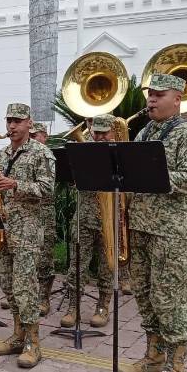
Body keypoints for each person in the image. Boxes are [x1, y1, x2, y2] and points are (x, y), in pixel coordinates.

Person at [117, 74, 187, 372]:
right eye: (150, 95)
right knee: (144, 294)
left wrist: (150, 173)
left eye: (159, 95)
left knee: (169, 300)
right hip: (141, 227)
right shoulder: (145, 132)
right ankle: (154, 357)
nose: (151, 100)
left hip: (172, 233)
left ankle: (177, 369)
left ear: (178, 99)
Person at [0, 104, 55, 368]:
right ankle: (17, 334)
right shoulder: (2, 153)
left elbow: (48, 189)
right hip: (3, 227)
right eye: (9, 121)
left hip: (27, 230)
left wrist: (15, 184)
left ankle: (33, 343)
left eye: (17, 121)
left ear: (29, 123)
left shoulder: (42, 153)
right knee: (8, 285)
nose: (12, 126)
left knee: (25, 287)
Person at [58, 115, 120, 329]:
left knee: (106, 266)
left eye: (105, 133)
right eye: (97, 132)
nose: (100, 137)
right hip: (84, 217)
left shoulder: (122, 154)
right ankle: (73, 307)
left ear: (113, 132)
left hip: (110, 219)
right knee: (77, 264)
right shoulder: (84, 152)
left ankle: (103, 306)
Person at [29, 122, 58, 316]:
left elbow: (47, 187)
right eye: (30, 135)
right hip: (25, 214)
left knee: (45, 255)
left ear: (44, 136)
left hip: (44, 212)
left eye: (35, 135)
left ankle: (43, 297)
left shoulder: (45, 154)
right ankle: (28, 295)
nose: (32, 138)